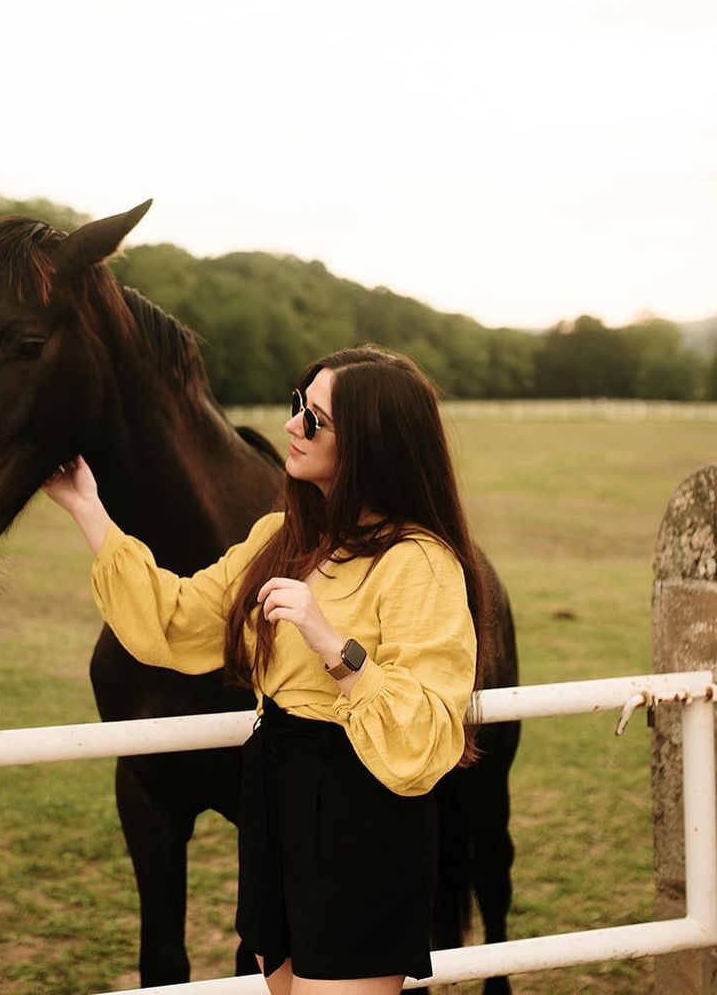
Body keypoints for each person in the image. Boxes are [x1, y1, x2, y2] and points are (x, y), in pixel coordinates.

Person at [43, 345, 486, 995]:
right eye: (297, 407)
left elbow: (426, 735)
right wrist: (88, 509)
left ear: (369, 443)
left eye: (316, 420)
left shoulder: (420, 563)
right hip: (273, 792)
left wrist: (331, 643)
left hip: (357, 812)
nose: (291, 426)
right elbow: (176, 618)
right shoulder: (278, 538)